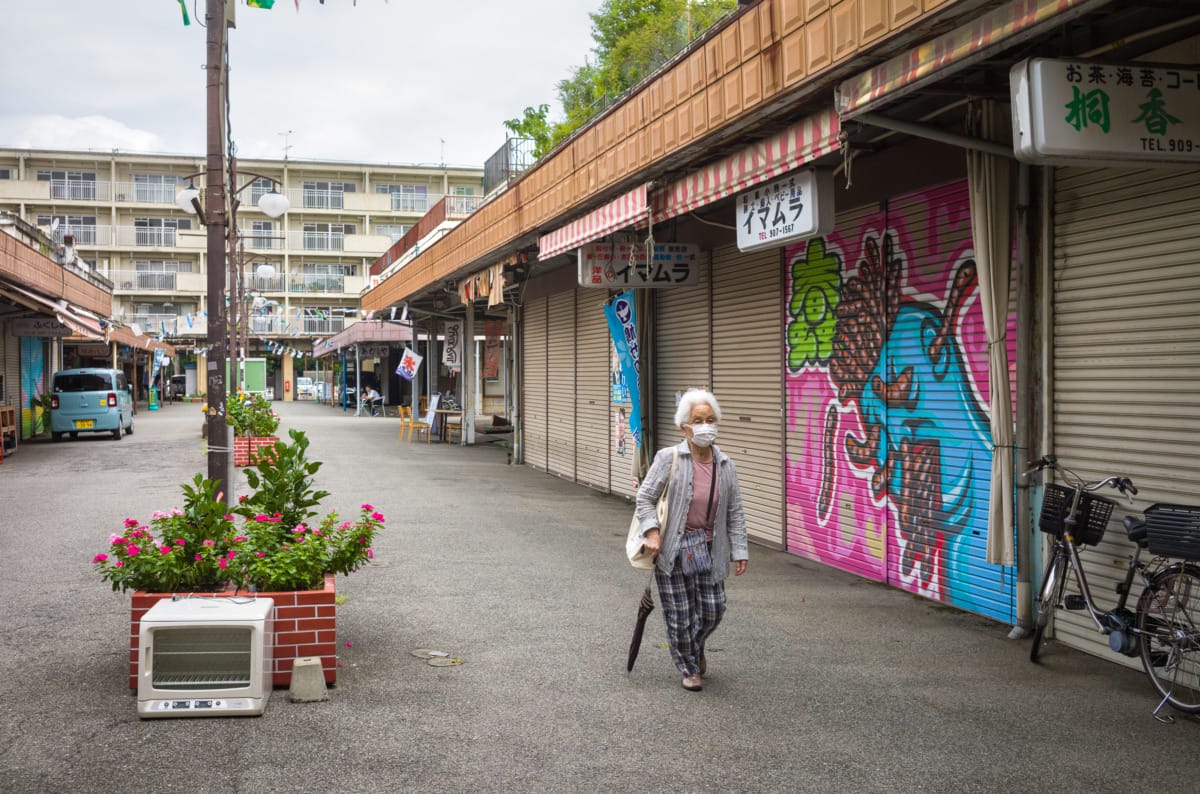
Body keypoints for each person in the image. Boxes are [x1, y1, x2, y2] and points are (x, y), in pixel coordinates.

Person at [634, 388, 748, 691]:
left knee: (714, 609)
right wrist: (652, 532)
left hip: (710, 549)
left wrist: (739, 549)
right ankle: (689, 667)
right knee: (679, 615)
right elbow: (645, 498)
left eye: (711, 419)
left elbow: (735, 510)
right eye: (698, 420)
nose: (706, 426)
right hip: (674, 549)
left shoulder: (726, 465)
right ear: (684, 426)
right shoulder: (668, 458)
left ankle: (694, 648)